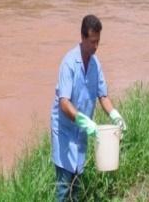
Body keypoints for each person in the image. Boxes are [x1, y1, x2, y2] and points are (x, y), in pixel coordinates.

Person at [50, 14, 126, 201]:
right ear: (83, 37)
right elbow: (64, 102)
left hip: (82, 129)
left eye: (98, 42)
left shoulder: (95, 63)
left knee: (77, 181)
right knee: (63, 184)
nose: (95, 46)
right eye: (92, 42)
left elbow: (103, 95)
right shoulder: (69, 63)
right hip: (65, 131)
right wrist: (85, 122)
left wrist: (115, 115)